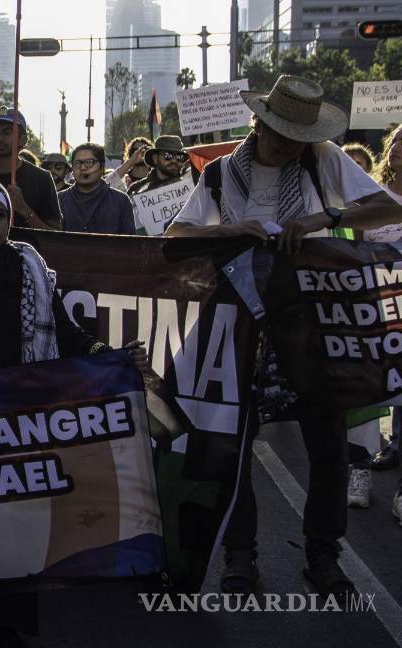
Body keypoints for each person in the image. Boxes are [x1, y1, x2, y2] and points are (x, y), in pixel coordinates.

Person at [167, 75, 402, 594]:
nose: (287, 146)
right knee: (235, 442)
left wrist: (327, 215)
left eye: (298, 136)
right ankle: (239, 554)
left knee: (327, 444)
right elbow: (178, 235)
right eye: (279, 134)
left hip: (314, 321)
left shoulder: (323, 159)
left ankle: (323, 556)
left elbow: (390, 209)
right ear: (259, 123)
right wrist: (233, 229)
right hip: (241, 319)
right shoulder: (222, 174)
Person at [0, 177, 147, 643]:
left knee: (14, 517)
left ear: (10, 220)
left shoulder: (29, 269)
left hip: (19, 416)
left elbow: (63, 331)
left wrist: (110, 354)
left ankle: (9, 616)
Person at [369, 125, 402, 523]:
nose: (397, 149)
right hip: (373, 309)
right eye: (394, 141)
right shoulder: (371, 197)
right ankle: (362, 462)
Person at [58, 143, 136, 235]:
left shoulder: (121, 201)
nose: (82, 168)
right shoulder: (59, 200)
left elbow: (129, 243)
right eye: (77, 163)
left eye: (89, 162)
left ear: (102, 168)